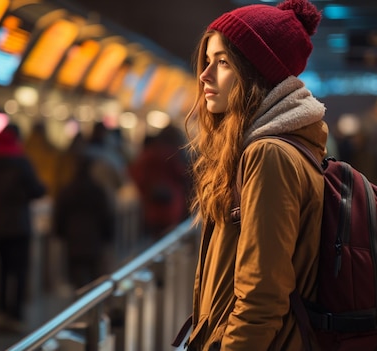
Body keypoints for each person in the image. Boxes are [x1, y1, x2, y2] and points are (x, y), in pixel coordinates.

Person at [180, 0, 327, 350]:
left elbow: (261, 297)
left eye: (223, 62)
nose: (205, 74)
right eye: (208, 60)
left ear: (256, 73)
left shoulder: (268, 155)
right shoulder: (272, 149)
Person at [0, 123, 46, 332]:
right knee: (18, 272)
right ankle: (15, 316)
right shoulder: (21, 162)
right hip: (19, 225)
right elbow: (37, 190)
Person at [53, 154, 115, 290]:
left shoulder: (67, 191)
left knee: (77, 280)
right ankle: (91, 307)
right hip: (94, 241)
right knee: (94, 279)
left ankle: (80, 300)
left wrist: (60, 233)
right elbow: (106, 216)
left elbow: (59, 216)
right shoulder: (98, 191)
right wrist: (108, 237)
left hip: (73, 241)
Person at [129, 125, 192, 240]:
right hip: (172, 205)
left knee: (155, 240)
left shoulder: (148, 153)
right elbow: (183, 175)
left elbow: (136, 174)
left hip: (151, 206)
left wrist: (146, 191)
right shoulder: (172, 154)